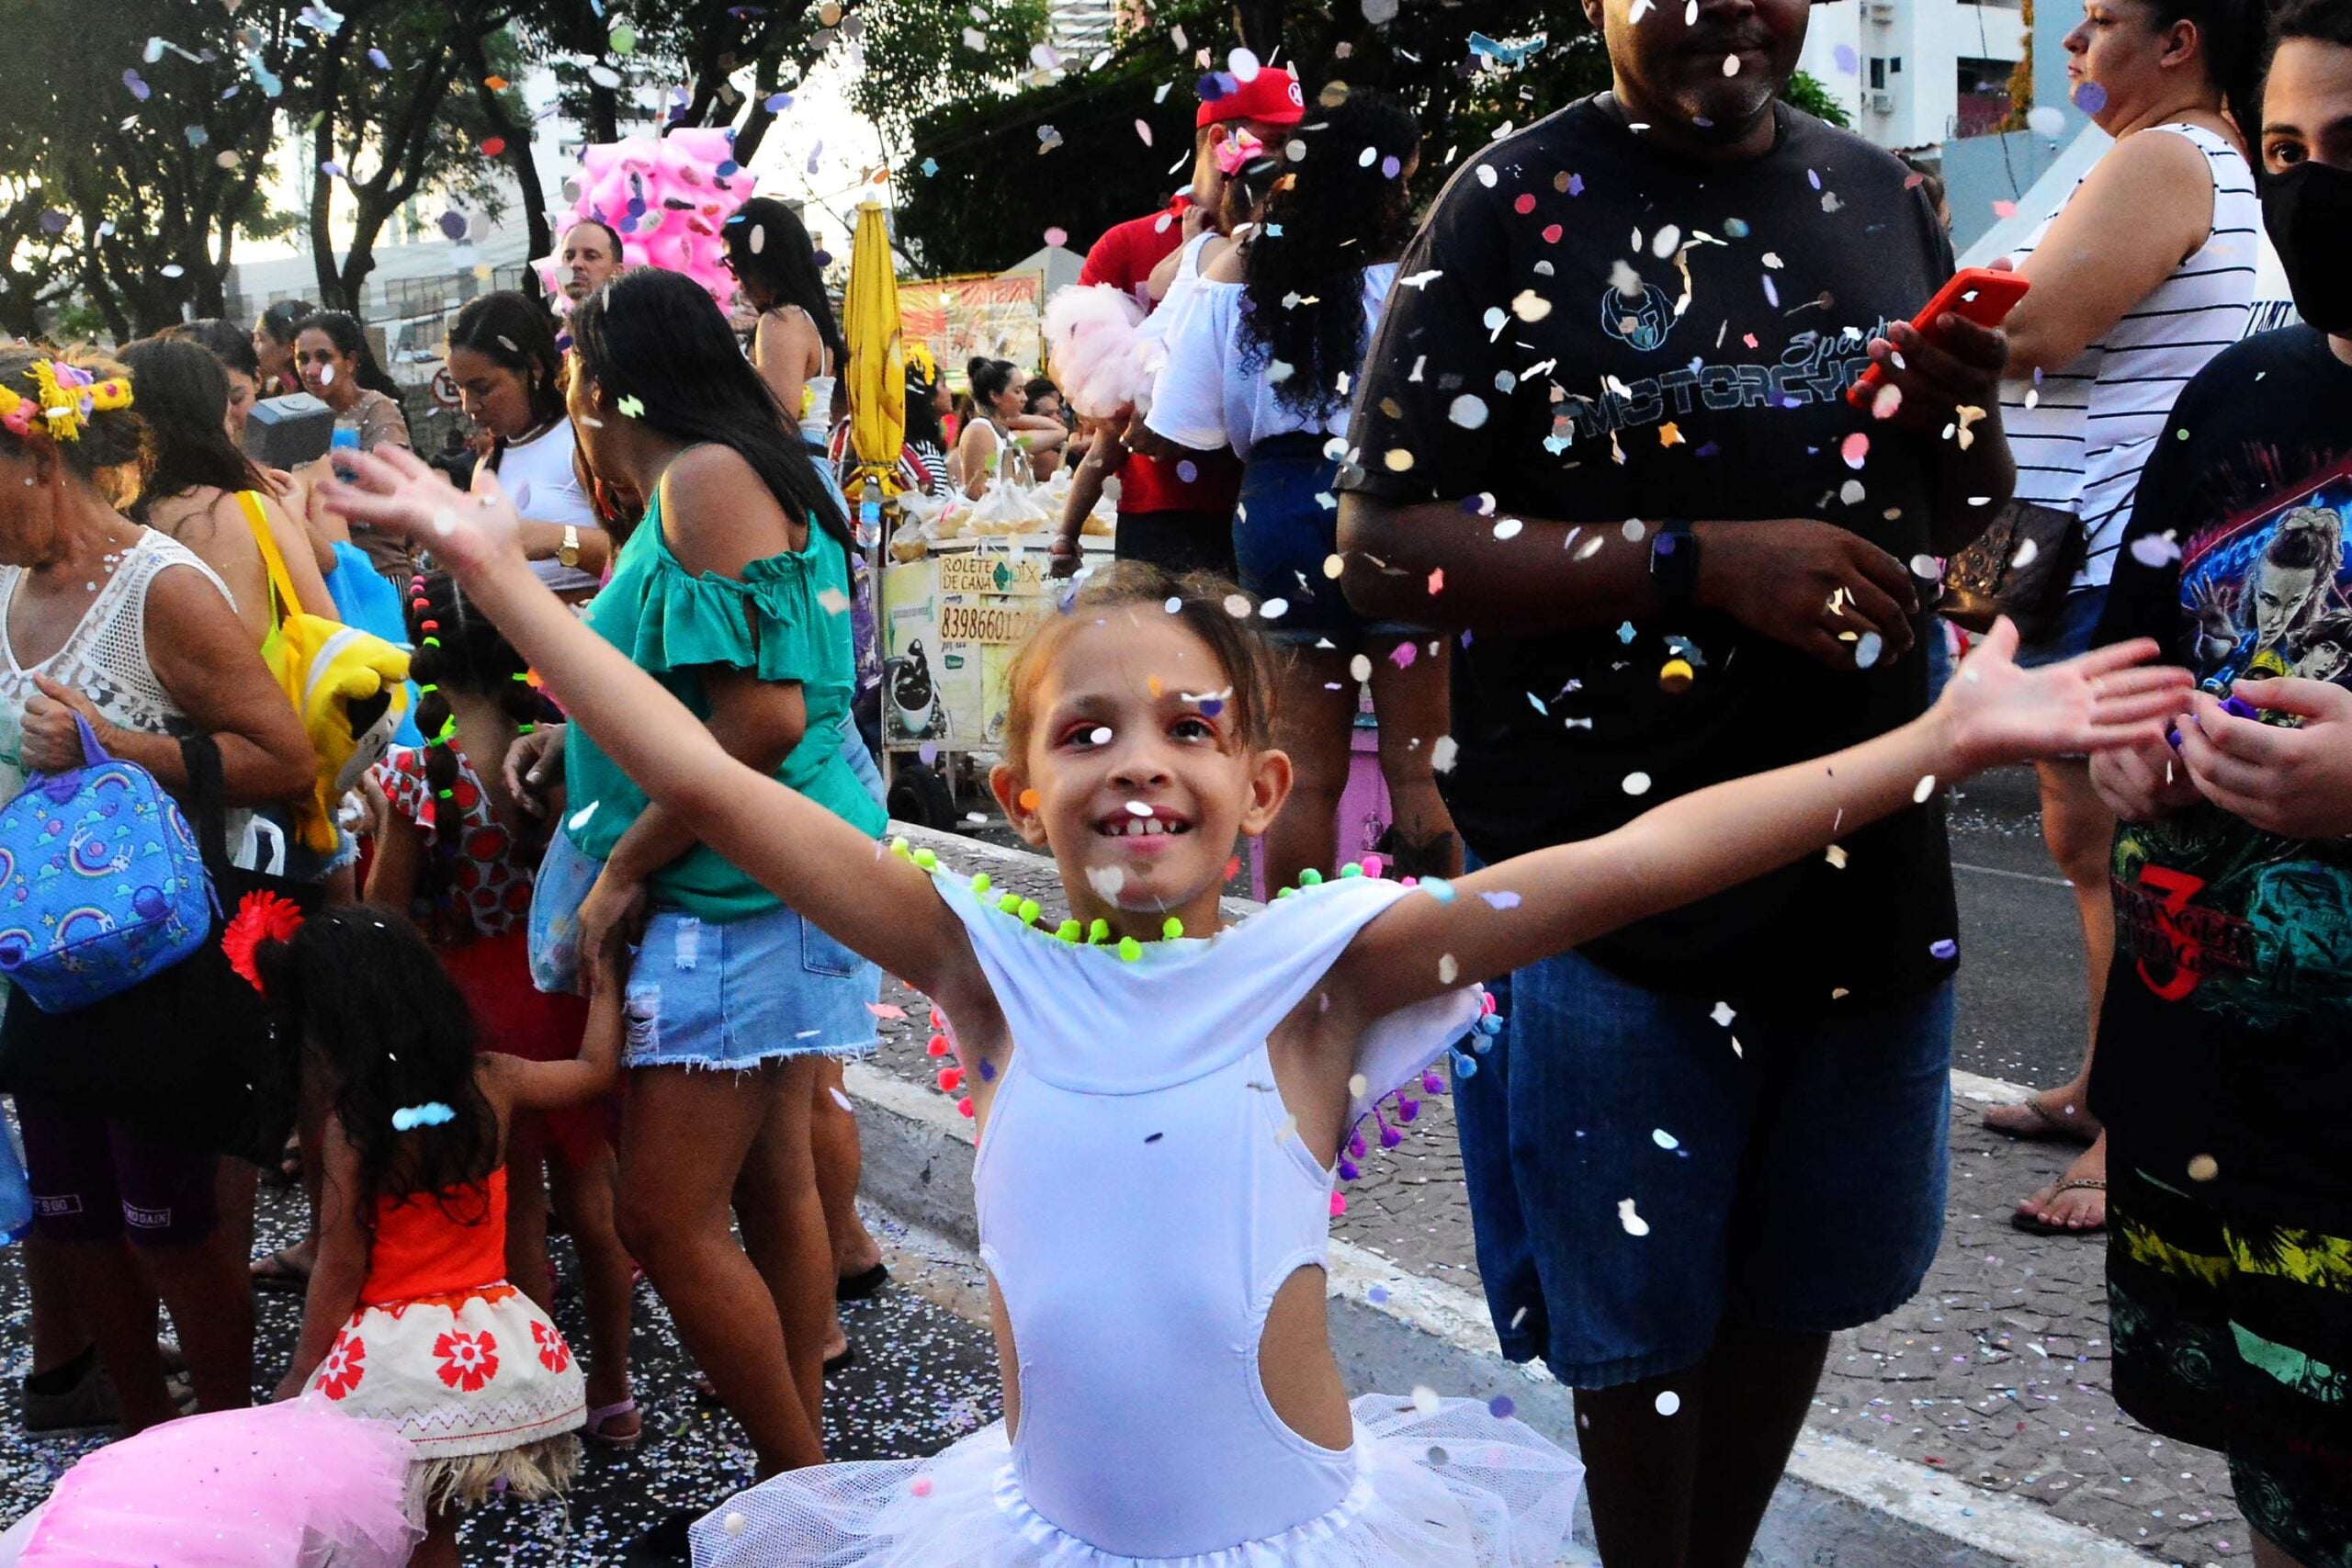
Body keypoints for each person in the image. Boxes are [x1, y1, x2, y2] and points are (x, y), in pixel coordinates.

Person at [321, 438, 2187, 1566]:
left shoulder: (1320, 976)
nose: (1137, 763)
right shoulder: (984, 962)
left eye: (1187, 726)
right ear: (1021, 790)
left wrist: (1932, 741)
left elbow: (1652, 855)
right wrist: (496, 573)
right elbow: (718, 783)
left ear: (1261, 791)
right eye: (1084, 730)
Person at [1331, 0, 2021, 1556]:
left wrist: (1961, 408)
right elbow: (1377, 545)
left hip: (1860, 861)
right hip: (1604, 883)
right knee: (1633, 1322)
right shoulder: (1505, 204)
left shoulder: (1882, 196)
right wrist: (1692, 563)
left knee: (1802, 1278)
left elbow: (1967, 527)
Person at [469, 270, 885, 1522]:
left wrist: (622, 870)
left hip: (735, 889)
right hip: (754, 877)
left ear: (608, 378)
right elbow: (692, 688)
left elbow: (756, 720)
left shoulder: (706, 476)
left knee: (661, 1210)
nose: (575, 400)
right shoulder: (702, 475)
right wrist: (570, 738)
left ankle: (799, 1490)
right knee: (767, 1183)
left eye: (579, 373)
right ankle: (798, 1487)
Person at [2086, 7, 2352, 1562]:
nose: (2319, 191)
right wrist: (2119, 740)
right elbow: (2131, 657)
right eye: (2289, 154)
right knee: (2287, 1495)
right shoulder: (2237, 396)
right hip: (2234, 1111)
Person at [1983, 0, 2267, 1238]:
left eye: (2100, 23)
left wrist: (1923, 334)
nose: (2077, 48)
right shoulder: (2175, 153)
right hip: (2107, 548)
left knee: (2128, 852)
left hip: (2117, 549)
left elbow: (2037, 325)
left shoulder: (2165, 154)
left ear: (2180, 41)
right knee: (2089, 838)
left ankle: (2131, 1133)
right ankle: (2109, 1081)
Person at [0, 346, 312, 1435]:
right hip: (40, 970)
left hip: (160, 968)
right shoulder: (3, 584)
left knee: (169, 1231)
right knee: (76, 1225)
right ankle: (143, 1443)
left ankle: (226, 1451)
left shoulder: (161, 587)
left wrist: (113, 745)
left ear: (37, 455)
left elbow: (284, 754)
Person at [1143, 93, 1458, 887]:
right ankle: (1443, 972)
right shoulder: (1426, 268)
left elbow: (1184, 424)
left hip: (1280, 507)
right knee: (1420, 766)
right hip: (1399, 499)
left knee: (1303, 767)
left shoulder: (1242, 268)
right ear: (1397, 176)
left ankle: (1296, 959)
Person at [362, 567, 640, 1451]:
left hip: (471, 1008)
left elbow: (385, 909)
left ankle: (537, 1397)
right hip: (562, 993)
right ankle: (614, 1390)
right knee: (595, 1203)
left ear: (425, 658)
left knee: (515, 1209)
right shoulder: (561, 755)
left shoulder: (417, 773)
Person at [263, 906, 622, 1568]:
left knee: (407, 1532)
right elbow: (595, 1070)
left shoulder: (356, 1123)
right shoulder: (496, 1078)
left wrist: (301, 1370)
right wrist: (605, 985)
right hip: (485, 1346)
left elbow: (340, 1262)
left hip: (397, 1363)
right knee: (437, 1526)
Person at [1056, 65, 1306, 579]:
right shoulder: (1128, 244)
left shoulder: (1312, 245)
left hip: (1276, 515)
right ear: (1221, 140)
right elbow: (1080, 382)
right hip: (1161, 518)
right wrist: (1146, 409)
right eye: (1277, 141)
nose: (1291, 159)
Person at [445, 291, 610, 598]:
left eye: (482, 388)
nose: (469, 406)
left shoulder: (583, 442)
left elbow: (639, 559)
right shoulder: (488, 464)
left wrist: (558, 539)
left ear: (533, 367)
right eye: (460, 388)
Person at [295, 311, 413, 590]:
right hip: (324, 573)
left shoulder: (377, 409)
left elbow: (390, 485)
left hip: (379, 571)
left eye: (324, 357)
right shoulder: (297, 417)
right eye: (302, 359)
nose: (311, 370)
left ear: (350, 362)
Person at [724, 197, 846, 455]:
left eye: (735, 262)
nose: (734, 277)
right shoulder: (806, 320)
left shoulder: (781, 321)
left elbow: (779, 422)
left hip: (792, 477)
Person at [951, 357, 1066, 499]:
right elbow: (976, 493)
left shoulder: (1011, 438)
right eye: (1017, 391)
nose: (1024, 398)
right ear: (994, 396)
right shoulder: (980, 430)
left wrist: (1010, 417)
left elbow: (1059, 432)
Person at [161, 319, 264, 445]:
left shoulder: (287, 449)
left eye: (236, 400)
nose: (226, 424)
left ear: (257, 380)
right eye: (206, 407)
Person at [559, 217, 627, 309]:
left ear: (617, 272)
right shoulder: (542, 321)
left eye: (591, 256)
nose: (575, 264)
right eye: (569, 257)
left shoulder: (636, 322)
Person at [253, 299, 313, 399]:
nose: (253, 348)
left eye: (260, 340)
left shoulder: (319, 399)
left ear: (290, 348)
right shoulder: (272, 392)